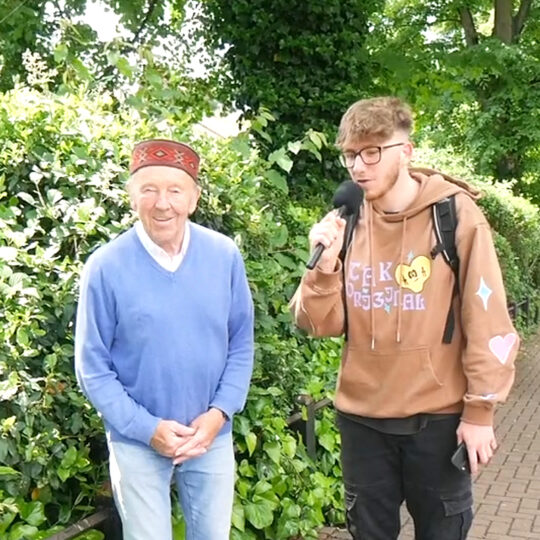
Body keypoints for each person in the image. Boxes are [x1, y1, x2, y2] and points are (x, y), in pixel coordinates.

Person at [290, 97, 518, 540]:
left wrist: (480, 412)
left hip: (437, 421)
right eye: (351, 154)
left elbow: (486, 317)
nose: (359, 166)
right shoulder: (346, 220)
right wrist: (323, 268)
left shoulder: (455, 215)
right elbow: (316, 324)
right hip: (361, 422)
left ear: (406, 151)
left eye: (372, 151)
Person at [75, 139, 254, 540]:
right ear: (132, 196)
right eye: (149, 190)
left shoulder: (223, 255)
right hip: (138, 443)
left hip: (211, 437)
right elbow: (92, 368)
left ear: (194, 198)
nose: (162, 203)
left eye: (175, 190)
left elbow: (241, 341)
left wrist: (219, 414)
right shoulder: (104, 267)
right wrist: (146, 428)